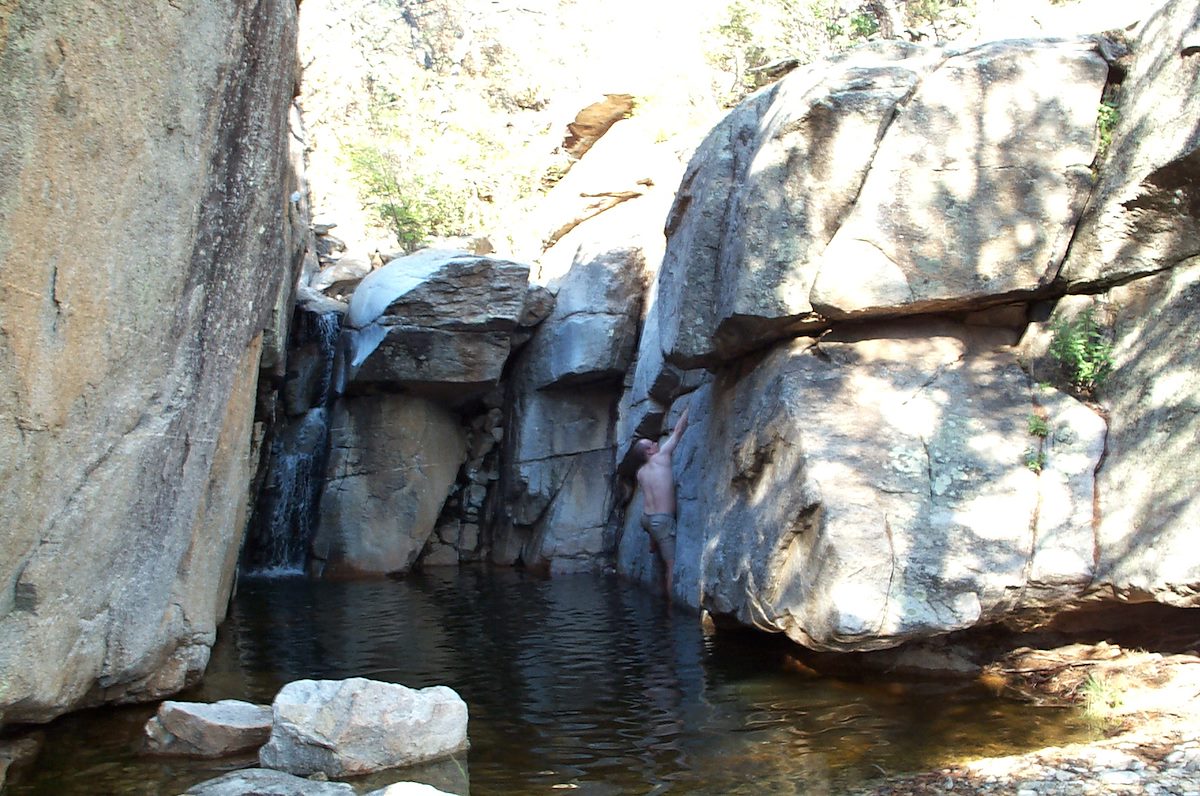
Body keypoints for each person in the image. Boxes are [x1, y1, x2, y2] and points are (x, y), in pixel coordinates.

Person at [631, 404, 689, 596]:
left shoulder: (640, 473)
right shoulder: (662, 457)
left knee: (652, 525)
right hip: (661, 521)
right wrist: (689, 408)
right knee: (671, 565)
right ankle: (671, 609)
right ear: (649, 451)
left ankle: (652, 544)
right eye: (653, 443)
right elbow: (679, 431)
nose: (657, 443)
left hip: (646, 519)